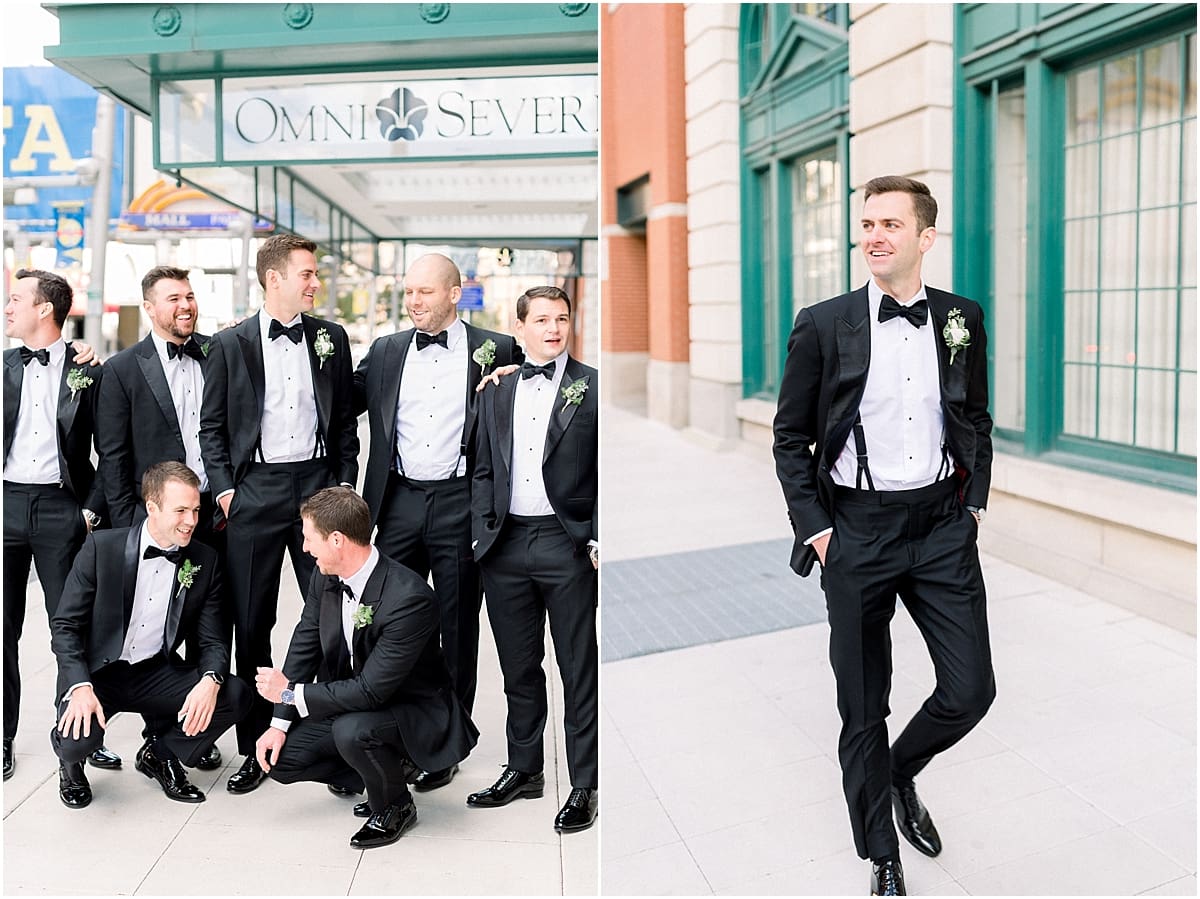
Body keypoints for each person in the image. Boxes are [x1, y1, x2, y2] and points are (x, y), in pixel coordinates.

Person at [773, 175, 995, 896]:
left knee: (971, 689)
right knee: (863, 702)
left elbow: (977, 418)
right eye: (867, 222)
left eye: (891, 224)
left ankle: (901, 770)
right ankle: (881, 853)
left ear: (925, 238)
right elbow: (789, 439)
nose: (874, 235)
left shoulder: (962, 318)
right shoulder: (823, 321)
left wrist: (974, 508)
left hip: (939, 526)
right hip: (856, 532)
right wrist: (819, 531)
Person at [352, 252, 521, 790]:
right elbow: (333, 394)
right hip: (397, 501)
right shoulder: (385, 350)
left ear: (454, 294)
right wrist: (238, 342)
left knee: (456, 626)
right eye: (408, 292)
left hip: (460, 503)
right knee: (387, 624)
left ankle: (447, 746)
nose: (413, 302)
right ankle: (387, 736)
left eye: (425, 292)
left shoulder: (498, 348)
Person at [199, 234, 359, 795]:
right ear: (275, 279)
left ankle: (336, 744)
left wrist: (343, 483)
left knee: (335, 616)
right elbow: (212, 428)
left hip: (318, 486)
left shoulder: (332, 338)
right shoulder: (228, 344)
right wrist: (225, 491)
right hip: (255, 490)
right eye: (308, 274)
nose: (316, 283)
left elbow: (343, 422)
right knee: (252, 619)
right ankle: (253, 747)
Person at [253, 487, 478, 849]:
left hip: (411, 710)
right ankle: (385, 773)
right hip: (356, 703)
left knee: (351, 731)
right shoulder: (324, 576)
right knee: (281, 759)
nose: (305, 547)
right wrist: (278, 722)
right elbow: (304, 645)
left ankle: (395, 806)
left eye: (309, 538)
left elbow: (372, 691)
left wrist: (292, 693)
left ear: (338, 540)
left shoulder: (409, 599)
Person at [467, 286, 599, 833]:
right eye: (541, 319)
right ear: (517, 329)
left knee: (576, 669)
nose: (553, 328)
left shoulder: (591, 389)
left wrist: (598, 535)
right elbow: (480, 467)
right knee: (519, 668)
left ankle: (584, 785)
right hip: (504, 547)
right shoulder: (496, 390)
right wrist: (481, 538)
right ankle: (524, 769)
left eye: (561, 318)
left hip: (566, 545)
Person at [48, 462, 250, 808]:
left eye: (197, 510)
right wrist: (79, 686)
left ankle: (159, 754)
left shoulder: (204, 560)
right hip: (100, 675)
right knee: (76, 739)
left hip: (157, 671)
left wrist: (211, 679)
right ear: (152, 508)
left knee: (233, 693)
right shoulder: (101, 548)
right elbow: (65, 626)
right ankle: (71, 766)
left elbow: (213, 638)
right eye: (181, 510)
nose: (191, 520)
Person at [95, 265, 225, 771]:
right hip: (156, 518)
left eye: (190, 296)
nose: (185, 306)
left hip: (218, 511)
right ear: (149, 307)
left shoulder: (219, 354)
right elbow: (113, 457)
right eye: (173, 298)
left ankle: (193, 725)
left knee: (211, 619)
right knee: (157, 622)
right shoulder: (122, 370)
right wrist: (138, 528)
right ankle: (158, 732)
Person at [3, 267, 118, 781]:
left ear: (44, 309)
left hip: (61, 509)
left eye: (15, 299)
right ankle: (2, 738)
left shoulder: (88, 370)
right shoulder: (4, 365)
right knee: (3, 631)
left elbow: (111, 453)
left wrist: (89, 510)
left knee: (69, 628)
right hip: (5, 505)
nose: (7, 308)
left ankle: (80, 739)